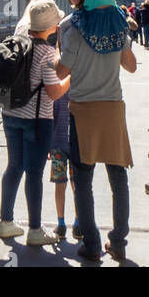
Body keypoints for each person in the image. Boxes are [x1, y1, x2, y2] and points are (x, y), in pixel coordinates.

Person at [56, 0, 137, 262]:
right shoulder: (116, 26)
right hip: (113, 108)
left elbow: (60, 72)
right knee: (118, 176)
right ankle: (118, 241)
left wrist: (60, 49)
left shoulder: (74, 29)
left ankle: (91, 244)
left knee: (82, 179)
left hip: (84, 111)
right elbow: (131, 66)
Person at [0, 0, 71, 245]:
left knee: (14, 166)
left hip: (10, 115)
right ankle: (35, 229)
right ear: (51, 26)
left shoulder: (18, 37)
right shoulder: (46, 52)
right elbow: (53, 92)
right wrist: (70, 77)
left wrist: (33, 1)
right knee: (35, 173)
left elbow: (24, 17)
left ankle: (6, 222)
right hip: (38, 121)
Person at [50, 80, 81, 240]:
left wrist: (49, 144)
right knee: (77, 185)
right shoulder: (80, 90)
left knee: (59, 185)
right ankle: (78, 223)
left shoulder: (57, 92)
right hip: (77, 144)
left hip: (57, 145)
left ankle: (61, 224)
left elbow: (51, 118)